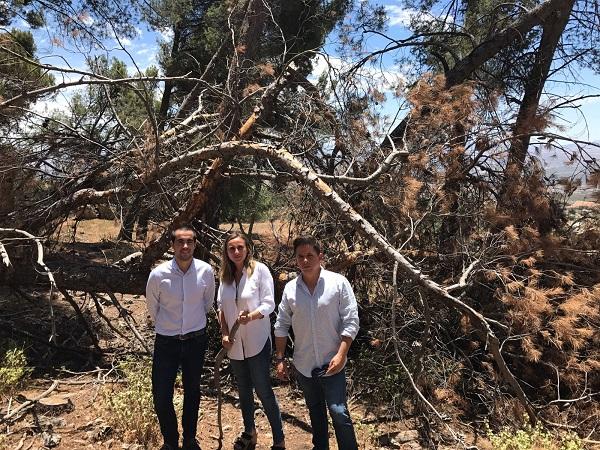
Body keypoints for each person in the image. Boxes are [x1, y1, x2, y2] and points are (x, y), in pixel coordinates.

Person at [274, 235, 359, 450]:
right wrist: (281, 358)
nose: (305, 261)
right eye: (300, 257)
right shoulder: (291, 289)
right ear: (295, 260)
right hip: (305, 365)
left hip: (333, 362)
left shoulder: (338, 283)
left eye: (310, 255)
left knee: (339, 412)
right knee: (315, 411)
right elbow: (281, 324)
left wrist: (341, 355)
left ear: (320, 256)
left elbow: (351, 322)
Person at [146, 225, 215, 450]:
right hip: (167, 341)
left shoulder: (206, 271)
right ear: (173, 245)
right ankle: (170, 440)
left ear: (195, 244)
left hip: (196, 340)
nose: (185, 246)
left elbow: (207, 304)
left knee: (193, 391)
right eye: (180, 242)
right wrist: (170, 326)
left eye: (189, 242)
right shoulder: (158, 274)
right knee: (161, 394)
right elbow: (152, 308)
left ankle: (189, 439)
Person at [217, 231, 285, 450]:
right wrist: (225, 334)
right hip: (235, 345)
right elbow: (221, 308)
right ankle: (250, 433)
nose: (236, 252)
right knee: (243, 390)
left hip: (257, 340)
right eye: (231, 248)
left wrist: (252, 316)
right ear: (226, 252)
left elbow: (269, 303)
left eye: (240, 248)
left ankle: (279, 440)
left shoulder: (259, 271)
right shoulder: (225, 276)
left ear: (248, 249)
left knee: (263, 389)